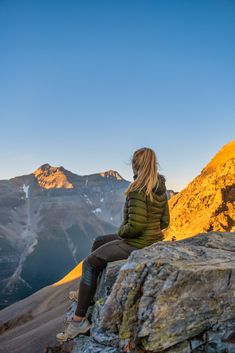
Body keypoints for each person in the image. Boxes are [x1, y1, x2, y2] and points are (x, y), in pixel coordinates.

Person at [56, 147, 170, 341]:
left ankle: (78, 322)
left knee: (89, 263)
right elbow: (165, 222)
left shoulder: (137, 189)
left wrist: (121, 232)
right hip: (152, 241)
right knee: (99, 241)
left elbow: (135, 226)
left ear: (136, 165)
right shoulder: (159, 186)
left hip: (137, 244)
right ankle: (89, 293)